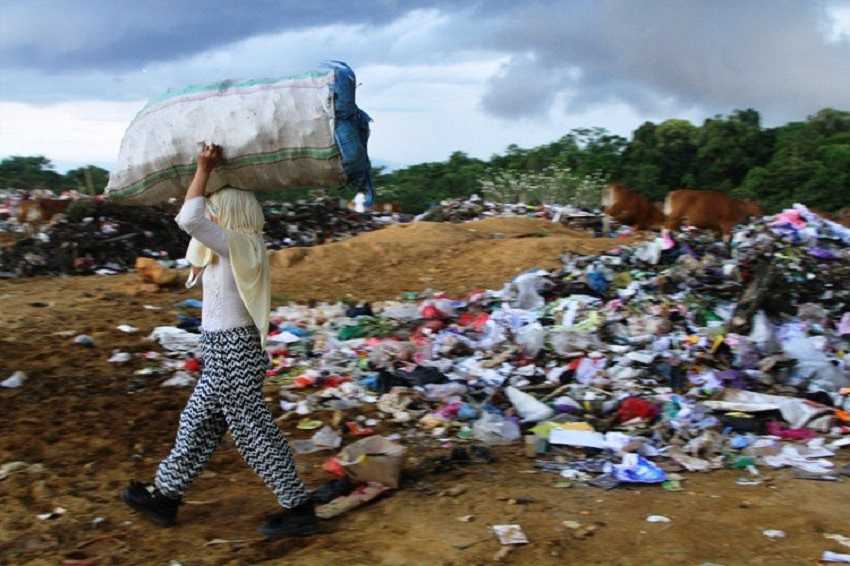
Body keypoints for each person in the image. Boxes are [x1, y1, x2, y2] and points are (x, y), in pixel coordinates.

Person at [122, 144, 318, 538]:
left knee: (252, 430)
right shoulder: (226, 249)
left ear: (230, 214)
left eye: (217, 208)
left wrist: (203, 168)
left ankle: (297, 506)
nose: (211, 212)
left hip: (234, 349)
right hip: (221, 349)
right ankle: (165, 496)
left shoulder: (240, 245)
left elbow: (189, 217)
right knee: (198, 422)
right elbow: (196, 233)